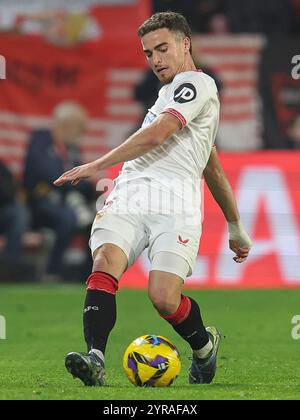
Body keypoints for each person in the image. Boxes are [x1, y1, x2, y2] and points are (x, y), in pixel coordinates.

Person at [54, 12, 252, 386]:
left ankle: (205, 348)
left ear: (185, 43)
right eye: (148, 53)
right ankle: (94, 358)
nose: (155, 60)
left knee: (163, 297)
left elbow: (160, 134)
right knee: (104, 260)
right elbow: (210, 164)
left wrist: (94, 164)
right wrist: (236, 226)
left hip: (176, 203)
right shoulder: (167, 96)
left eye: (162, 48)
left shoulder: (198, 84)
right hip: (130, 192)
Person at [24, 101, 95, 282]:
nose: (81, 133)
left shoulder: (72, 149)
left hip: (67, 201)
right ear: (66, 125)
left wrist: (91, 186)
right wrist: (76, 182)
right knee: (67, 219)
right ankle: (51, 272)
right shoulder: (41, 139)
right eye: (79, 128)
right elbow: (48, 174)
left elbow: (83, 181)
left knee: (95, 221)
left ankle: (88, 275)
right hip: (40, 202)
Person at [0, 161, 30, 264]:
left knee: (19, 213)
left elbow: (9, 192)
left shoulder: (2, 168)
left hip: (3, 210)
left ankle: (10, 264)